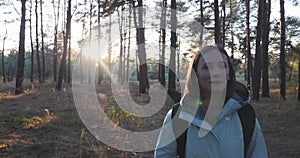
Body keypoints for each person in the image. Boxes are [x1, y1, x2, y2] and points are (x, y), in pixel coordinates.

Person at [154, 45, 268, 158]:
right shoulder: (178, 116)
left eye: (222, 66)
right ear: (195, 75)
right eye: (206, 67)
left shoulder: (245, 115)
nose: (215, 73)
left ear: (229, 74)